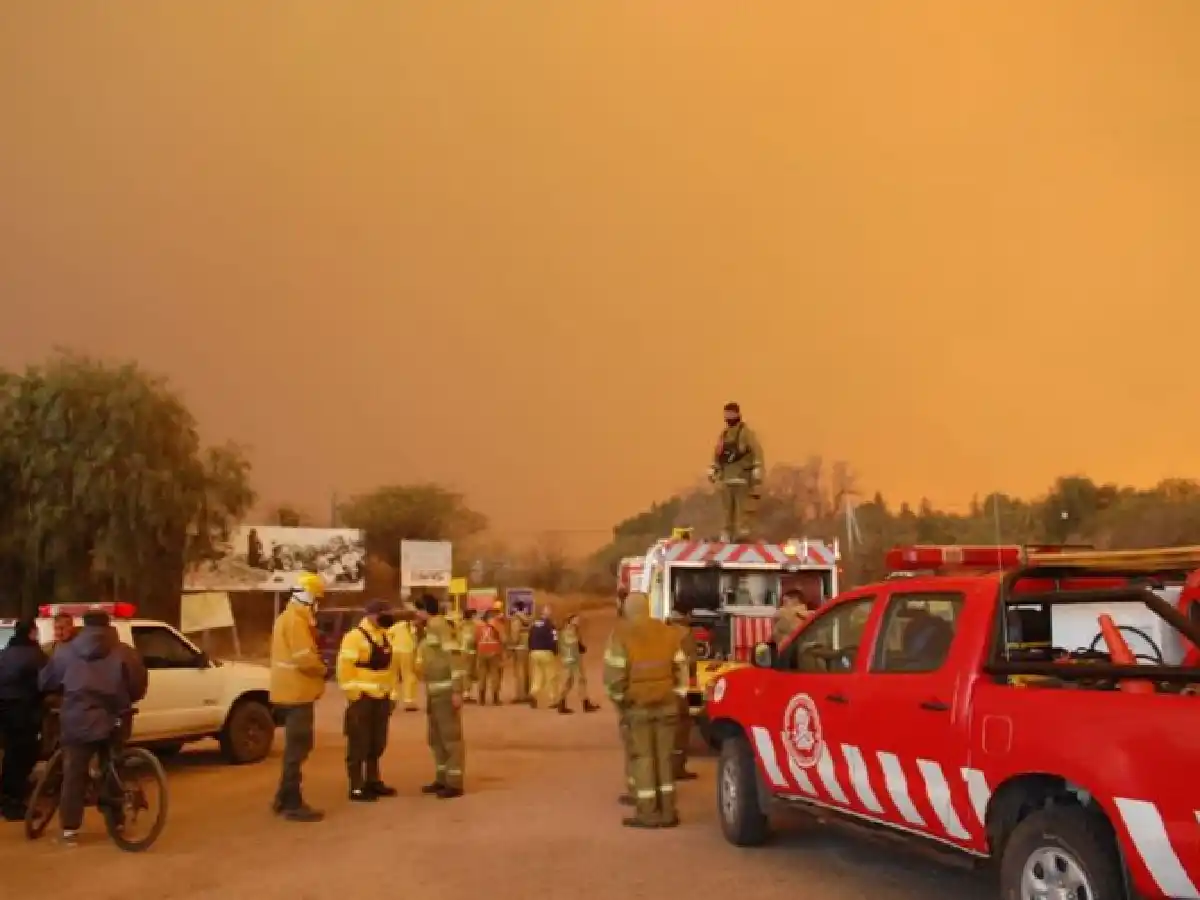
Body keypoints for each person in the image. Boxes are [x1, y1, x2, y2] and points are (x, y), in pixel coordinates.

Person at [37, 610, 147, 846]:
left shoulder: (66, 651)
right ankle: (117, 820)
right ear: (109, 626)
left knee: (74, 772)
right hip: (114, 718)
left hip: (78, 718)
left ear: (83, 625)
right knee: (113, 765)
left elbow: (46, 681)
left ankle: (69, 831)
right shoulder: (125, 652)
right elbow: (138, 687)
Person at [604, 591, 688, 829]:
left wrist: (620, 700)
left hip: (637, 708)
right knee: (664, 758)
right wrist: (678, 693)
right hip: (668, 705)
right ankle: (668, 811)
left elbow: (614, 675)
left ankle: (649, 813)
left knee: (644, 759)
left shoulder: (621, 635)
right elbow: (681, 667)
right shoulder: (668, 632)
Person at [268, 573, 328, 822]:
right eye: (317, 598)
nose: (318, 604)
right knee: (298, 748)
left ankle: (283, 798)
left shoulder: (290, 617)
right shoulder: (296, 621)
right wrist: (323, 668)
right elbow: (304, 658)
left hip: (290, 693)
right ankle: (292, 802)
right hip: (296, 694)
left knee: (298, 747)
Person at [337, 600, 399, 802]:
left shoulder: (384, 636)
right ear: (372, 614)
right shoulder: (354, 637)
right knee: (358, 744)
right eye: (384, 613)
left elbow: (390, 669)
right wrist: (354, 694)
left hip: (381, 698)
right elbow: (344, 669)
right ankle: (356, 787)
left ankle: (373, 781)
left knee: (377, 743)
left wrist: (392, 694)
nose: (387, 616)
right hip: (362, 698)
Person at [415, 594, 465, 798]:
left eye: (418, 609)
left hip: (445, 691)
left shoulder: (441, 627)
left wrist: (457, 689)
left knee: (450, 738)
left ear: (425, 609)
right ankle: (442, 778)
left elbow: (454, 658)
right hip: (434, 691)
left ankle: (454, 783)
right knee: (436, 738)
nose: (415, 614)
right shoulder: (428, 629)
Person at [0, 621, 48, 820]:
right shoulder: (35, 655)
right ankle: (13, 802)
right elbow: (47, 682)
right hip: (24, 712)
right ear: (31, 633)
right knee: (24, 754)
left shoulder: (5, 653)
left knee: (10, 753)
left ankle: (7, 795)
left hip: (4, 711)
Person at [707, 401, 764, 541]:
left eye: (731, 413)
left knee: (743, 509)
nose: (728, 416)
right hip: (727, 478)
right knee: (727, 510)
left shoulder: (746, 433)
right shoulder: (724, 435)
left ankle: (743, 534)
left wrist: (757, 469)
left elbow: (757, 450)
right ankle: (727, 533)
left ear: (738, 414)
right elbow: (718, 454)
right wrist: (713, 469)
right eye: (726, 414)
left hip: (742, 478)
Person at [666, 611, 698, 781]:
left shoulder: (660, 634)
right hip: (680, 689)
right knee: (682, 728)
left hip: (662, 688)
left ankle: (664, 770)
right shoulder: (686, 634)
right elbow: (691, 660)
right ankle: (677, 768)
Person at [555, 612, 598, 715]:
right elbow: (572, 644)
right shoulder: (569, 631)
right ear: (570, 620)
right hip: (571, 660)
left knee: (571, 682)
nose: (578, 621)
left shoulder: (568, 631)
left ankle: (563, 704)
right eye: (576, 619)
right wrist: (579, 642)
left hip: (571, 660)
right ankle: (584, 704)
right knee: (578, 681)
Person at [388, 608, 421, 713]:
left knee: (393, 675)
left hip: (394, 651)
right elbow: (415, 641)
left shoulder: (397, 626)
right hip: (407, 652)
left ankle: (392, 698)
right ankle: (409, 700)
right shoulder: (413, 628)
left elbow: (388, 634)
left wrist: (390, 645)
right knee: (408, 675)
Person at [527, 606, 559, 709]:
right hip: (546, 652)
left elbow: (529, 638)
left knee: (538, 676)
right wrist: (555, 651)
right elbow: (554, 639)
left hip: (534, 652)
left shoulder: (534, 625)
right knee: (551, 676)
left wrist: (531, 650)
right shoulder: (551, 626)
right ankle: (553, 699)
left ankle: (533, 693)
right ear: (548, 614)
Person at [474, 609, 505, 705]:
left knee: (482, 674)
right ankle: (495, 698)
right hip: (494, 651)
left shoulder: (479, 627)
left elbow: (475, 639)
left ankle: (481, 698)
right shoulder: (497, 625)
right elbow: (504, 639)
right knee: (495, 674)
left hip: (481, 651)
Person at [507, 602, 532, 703]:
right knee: (526, 672)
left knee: (519, 672)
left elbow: (515, 635)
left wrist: (511, 646)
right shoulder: (528, 619)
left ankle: (520, 696)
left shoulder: (516, 620)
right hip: (526, 647)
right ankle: (527, 693)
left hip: (518, 648)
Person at [459, 608, 478, 703]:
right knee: (468, 673)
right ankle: (466, 694)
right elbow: (474, 639)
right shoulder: (473, 626)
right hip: (469, 652)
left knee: (463, 672)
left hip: (461, 651)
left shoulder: (459, 625)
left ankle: (462, 692)